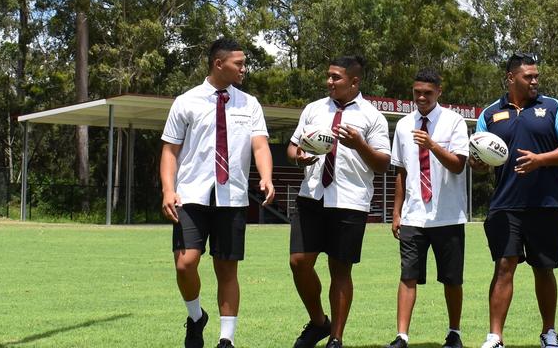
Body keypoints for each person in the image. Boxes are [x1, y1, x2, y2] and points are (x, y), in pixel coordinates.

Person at [160, 38, 275, 348]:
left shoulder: (249, 103)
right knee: (185, 264)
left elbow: (260, 144)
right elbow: (170, 150)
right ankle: (196, 316)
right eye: (239, 63)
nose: (244, 69)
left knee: (227, 269)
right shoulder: (186, 101)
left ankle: (227, 339)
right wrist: (168, 190)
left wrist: (266, 177)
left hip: (232, 198)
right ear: (218, 63)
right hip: (191, 197)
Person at [469, 53, 558, 348]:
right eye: (528, 76)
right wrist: (478, 164)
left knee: (543, 268)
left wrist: (541, 160)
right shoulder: (490, 114)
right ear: (511, 78)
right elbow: (477, 155)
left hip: (546, 204)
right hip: (505, 205)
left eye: (536, 76)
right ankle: (495, 336)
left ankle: (549, 333)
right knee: (504, 265)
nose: (534, 81)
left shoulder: (553, 107)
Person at [287, 56, 391, 348]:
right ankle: (320, 322)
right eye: (329, 76)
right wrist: (299, 156)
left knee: (340, 269)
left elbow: (383, 163)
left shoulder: (373, 117)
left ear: (354, 81)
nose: (329, 82)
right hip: (312, 195)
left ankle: (336, 338)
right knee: (299, 263)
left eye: (336, 78)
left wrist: (359, 144)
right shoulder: (314, 109)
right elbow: (293, 146)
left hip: (349, 200)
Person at [386, 68, 471, 348]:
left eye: (427, 93)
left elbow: (458, 165)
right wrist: (396, 212)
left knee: (451, 279)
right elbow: (400, 172)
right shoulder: (402, 125)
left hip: (447, 215)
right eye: (417, 92)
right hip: (413, 216)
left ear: (439, 92)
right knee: (407, 276)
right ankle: (402, 336)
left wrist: (432, 144)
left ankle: (454, 333)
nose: (421, 98)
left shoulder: (454, 122)